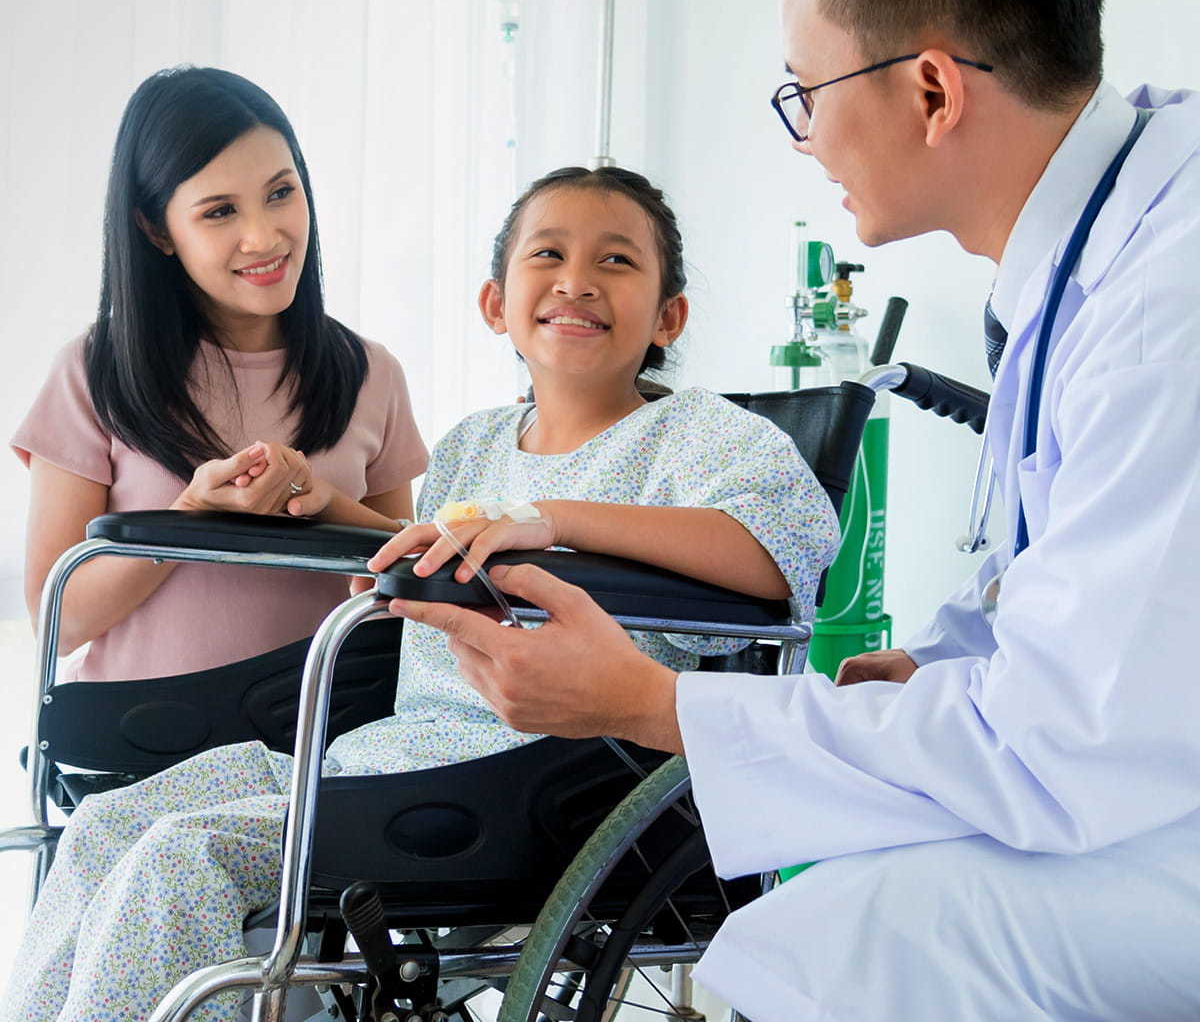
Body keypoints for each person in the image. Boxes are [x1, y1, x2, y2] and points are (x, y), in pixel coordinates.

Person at [398, 0, 1200, 1020]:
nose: (805, 135)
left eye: (804, 92)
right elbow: (1088, 615)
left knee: (822, 947)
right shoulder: (1098, 249)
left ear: (930, 88)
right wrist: (935, 669)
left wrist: (643, 701)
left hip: (1149, 823)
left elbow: (1066, 735)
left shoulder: (1158, 304)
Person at [2, 165, 839, 1021]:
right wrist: (325, 504)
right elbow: (422, 560)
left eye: (617, 262)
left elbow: (783, 548)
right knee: (106, 827)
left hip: (533, 774)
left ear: (670, 315)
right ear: (495, 303)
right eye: (547, 254)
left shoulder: (699, 434)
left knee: (186, 854)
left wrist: (544, 518)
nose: (577, 280)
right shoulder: (477, 443)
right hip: (387, 756)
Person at [12, 66, 426, 680]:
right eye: (219, 211)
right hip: (140, 750)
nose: (263, 237)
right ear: (156, 230)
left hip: (320, 749)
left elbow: (405, 612)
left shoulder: (370, 373)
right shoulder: (94, 371)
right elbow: (58, 621)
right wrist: (189, 516)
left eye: (281, 193)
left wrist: (325, 506)